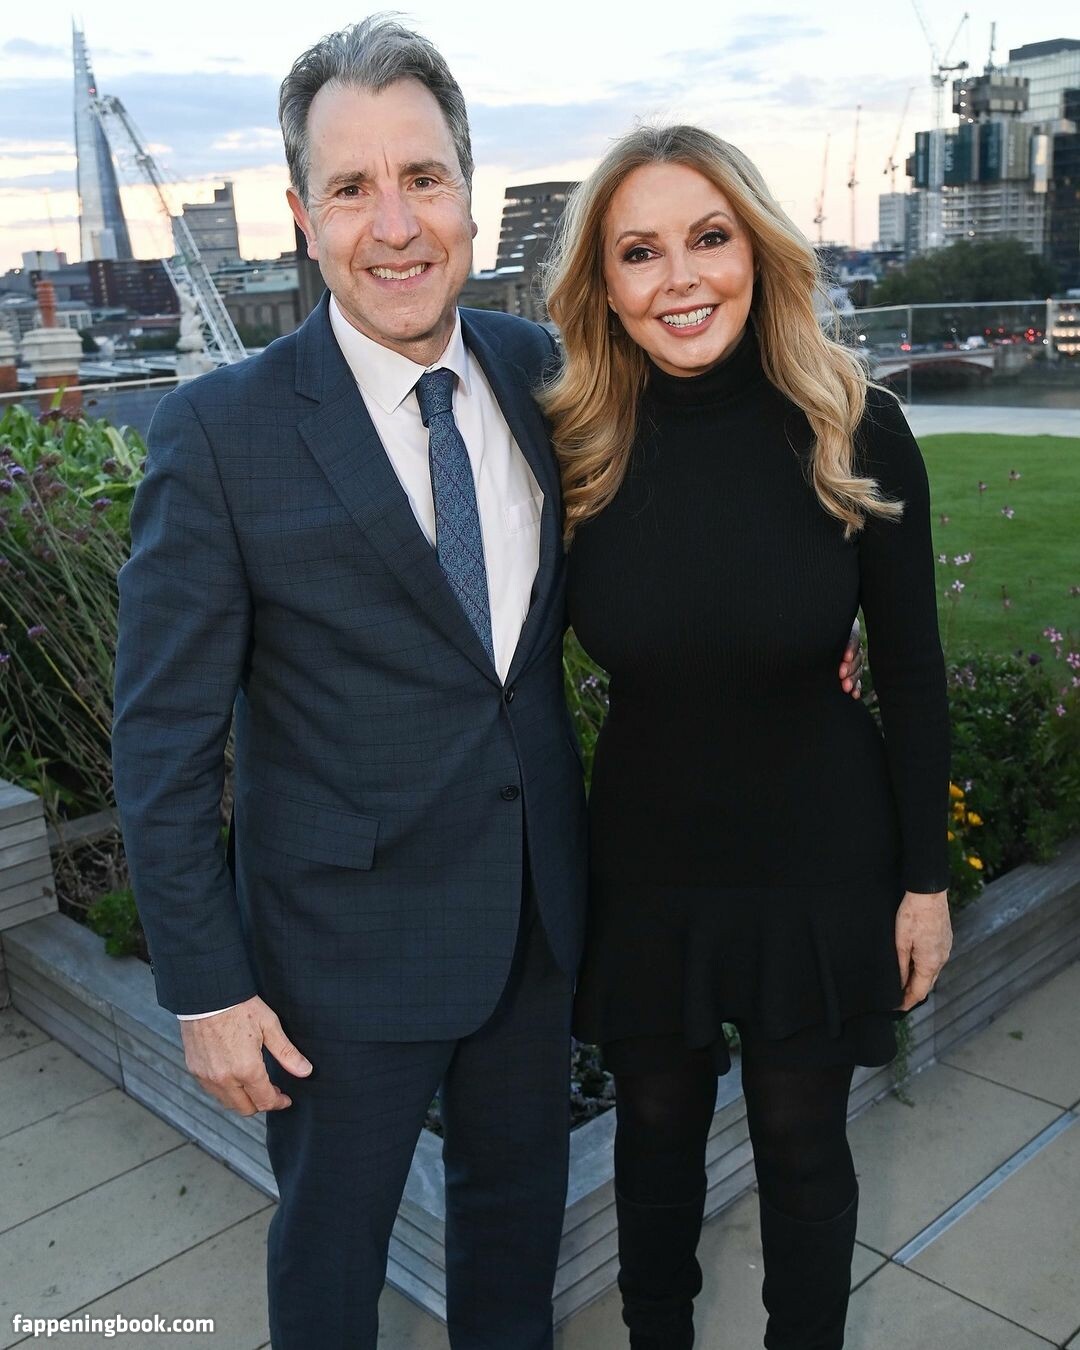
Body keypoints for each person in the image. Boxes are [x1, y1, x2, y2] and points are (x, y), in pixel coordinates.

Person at [112, 21, 864, 1345]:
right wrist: (206, 988)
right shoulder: (221, 435)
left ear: (470, 192)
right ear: (302, 217)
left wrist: (794, 635)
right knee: (331, 1260)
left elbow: (697, 478)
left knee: (515, 1235)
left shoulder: (546, 378)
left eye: (424, 178)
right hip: (335, 962)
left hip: (535, 927)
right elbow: (161, 740)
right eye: (352, 188)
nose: (396, 224)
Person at [541, 125, 953, 1350]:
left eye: (709, 238)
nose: (681, 279)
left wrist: (925, 882)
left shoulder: (854, 425)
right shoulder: (571, 448)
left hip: (818, 851)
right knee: (655, 1138)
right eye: (640, 251)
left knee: (802, 1142)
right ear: (604, 283)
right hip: (648, 859)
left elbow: (913, 676)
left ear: (758, 250)